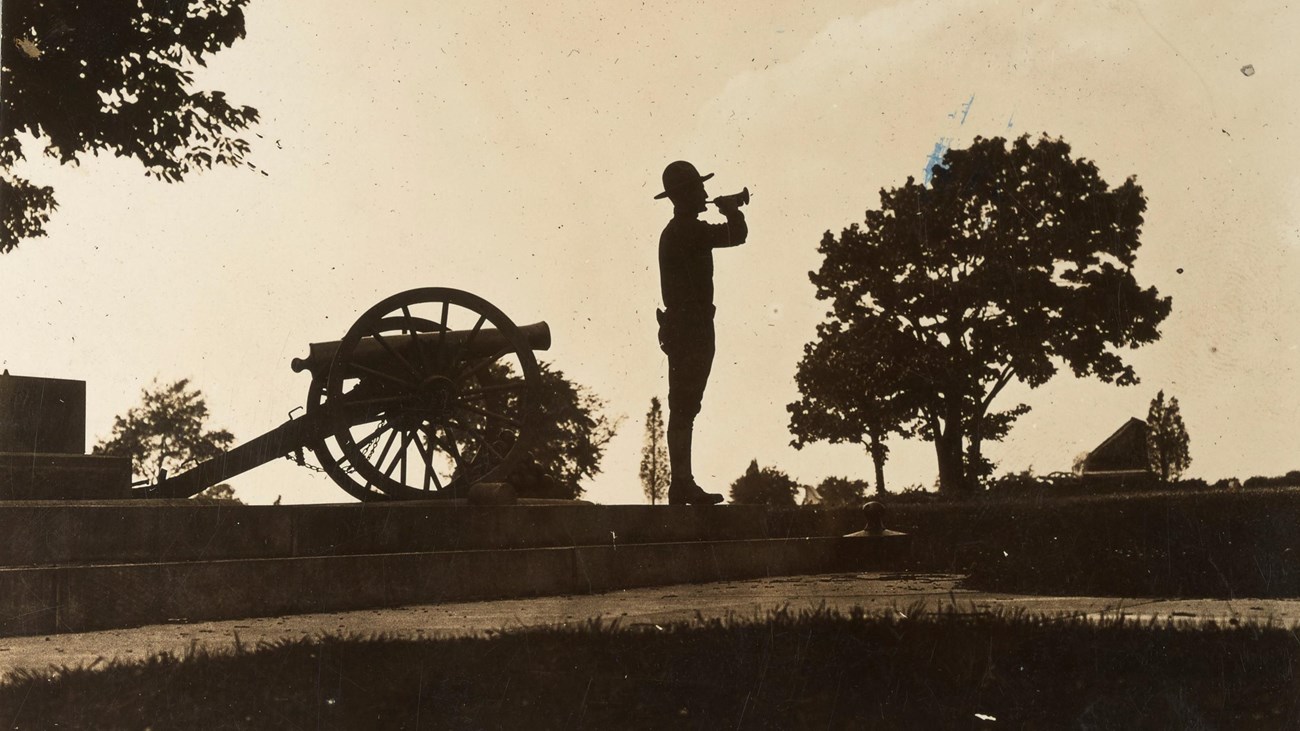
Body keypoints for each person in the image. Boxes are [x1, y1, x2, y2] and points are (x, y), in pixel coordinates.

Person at [653, 160, 748, 505]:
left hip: (686, 327)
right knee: (684, 406)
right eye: (700, 189)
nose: (705, 195)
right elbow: (737, 236)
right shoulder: (688, 231)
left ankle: (682, 483)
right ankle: (682, 483)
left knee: (684, 406)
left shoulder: (680, 230)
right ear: (686, 195)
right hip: (690, 328)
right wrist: (732, 210)